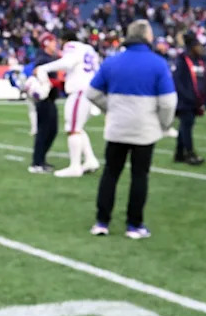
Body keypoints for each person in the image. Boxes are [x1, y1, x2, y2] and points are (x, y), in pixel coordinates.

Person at [85, 20, 177, 239]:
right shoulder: (158, 64)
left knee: (110, 174)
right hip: (145, 130)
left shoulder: (112, 61)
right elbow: (168, 102)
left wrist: (111, 108)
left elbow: (92, 93)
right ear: (146, 36)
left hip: (117, 127)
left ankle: (102, 222)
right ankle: (134, 225)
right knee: (139, 176)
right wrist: (164, 124)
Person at [35, 29, 100, 177]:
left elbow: (67, 62)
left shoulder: (72, 47)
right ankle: (90, 160)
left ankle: (75, 166)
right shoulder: (88, 48)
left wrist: (44, 68)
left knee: (73, 128)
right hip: (90, 90)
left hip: (80, 91)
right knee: (78, 128)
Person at [173, 32, 206, 165]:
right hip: (185, 101)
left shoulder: (200, 60)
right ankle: (189, 153)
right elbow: (178, 81)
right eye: (198, 45)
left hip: (196, 100)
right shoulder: (182, 60)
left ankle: (179, 154)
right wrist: (188, 97)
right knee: (187, 125)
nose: (200, 48)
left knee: (185, 126)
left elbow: (204, 80)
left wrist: (205, 99)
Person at [29, 33, 59, 174]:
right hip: (44, 99)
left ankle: (41, 159)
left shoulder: (50, 58)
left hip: (50, 99)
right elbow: (37, 73)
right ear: (46, 43)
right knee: (44, 131)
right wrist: (56, 83)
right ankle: (37, 163)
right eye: (53, 42)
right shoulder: (43, 59)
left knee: (52, 130)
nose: (55, 44)